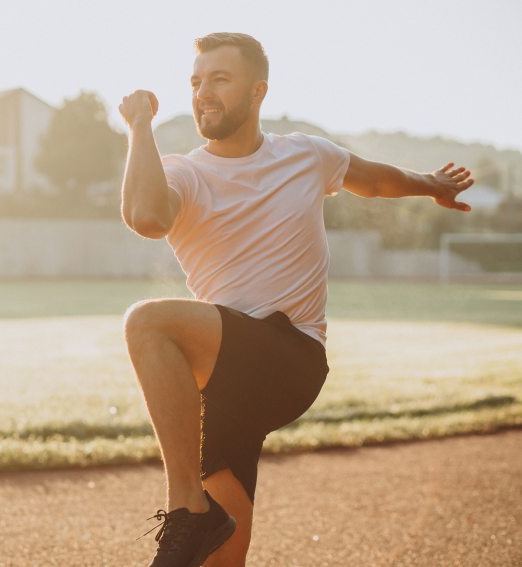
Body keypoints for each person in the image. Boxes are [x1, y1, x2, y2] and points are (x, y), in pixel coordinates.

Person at [119, 32, 474, 567]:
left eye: (219, 78)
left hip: (291, 355)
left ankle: (187, 510)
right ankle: (200, 519)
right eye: (195, 81)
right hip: (227, 379)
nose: (203, 92)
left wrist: (431, 183)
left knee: (147, 323)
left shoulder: (306, 154)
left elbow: (375, 181)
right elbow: (147, 216)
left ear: (258, 91)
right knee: (217, 556)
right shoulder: (185, 173)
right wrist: (140, 126)